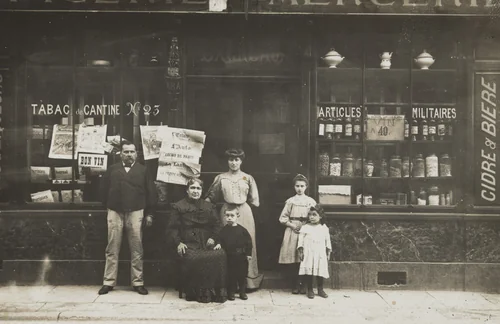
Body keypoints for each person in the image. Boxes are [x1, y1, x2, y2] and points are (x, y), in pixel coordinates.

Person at [98, 141, 157, 295]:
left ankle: (138, 282)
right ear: (120, 154)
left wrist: (150, 213)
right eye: (126, 152)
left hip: (136, 212)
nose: (129, 154)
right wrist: (109, 207)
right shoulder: (112, 170)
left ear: (136, 154)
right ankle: (108, 282)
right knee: (112, 248)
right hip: (115, 211)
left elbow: (151, 193)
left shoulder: (143, 171)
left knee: (137, 248)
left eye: (132, 152)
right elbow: (103, 191)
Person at [205, 148, 263, 290]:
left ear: (241, 161)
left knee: (247, 243)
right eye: (231, 159)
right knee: (226, 242)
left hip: (244, 211)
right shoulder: (221, 178)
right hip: (227, 211)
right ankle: (227, 281)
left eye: (236, 160)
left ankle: (248, 281)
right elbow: (211, 197)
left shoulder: (248, 178)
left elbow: (255, 200)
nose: (233, 163)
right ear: (227, 161)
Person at [168, 178, 228, 303]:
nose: (195, 191)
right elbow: (172, 228)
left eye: (198, 188)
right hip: (188, 241)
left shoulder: (209, 206)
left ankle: (214, 293)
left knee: (220, 254)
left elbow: (217, 225)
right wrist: (178, 243)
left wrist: (214, 238)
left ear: (202, 191)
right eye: (193, 188)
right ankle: (195, 293)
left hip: (207, 241)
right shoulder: (179, 206)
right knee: (193, 257)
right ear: (187, 190)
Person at [278, 174, 316, 294]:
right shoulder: (291, 201)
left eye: (302, 186)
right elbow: (282, 218)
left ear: (306, 187)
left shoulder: (310, 202)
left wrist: (305, 226)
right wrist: (292, 225)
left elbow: (315, 216)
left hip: (306, 230)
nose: (300, 188)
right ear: (294, 187)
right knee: (294, 259)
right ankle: (295, 284)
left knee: (304, 257)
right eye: (297, 186)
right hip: (293, 231)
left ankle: (304, 284)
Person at [218, 205, 252, 301]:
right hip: (229, 257)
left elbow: (249, 243)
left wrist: (248, 254)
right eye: (227, 215)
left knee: (242, 275)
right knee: (231, 275)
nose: (229, 218)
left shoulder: (242, 230)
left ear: (237, 216)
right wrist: (219, 244)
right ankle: (231, 292)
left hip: (241, 257)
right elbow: (220, 239)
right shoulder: (224, 230)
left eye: (232, 216)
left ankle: (242, 292)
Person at [297, 204, 332, 299]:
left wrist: (328, 251)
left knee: (320, 270)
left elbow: (327, 240)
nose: (311, 217)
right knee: (309, 271)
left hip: (320, 253)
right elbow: (300, 240)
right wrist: (301, 250)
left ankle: (320, 289)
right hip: (309, 253)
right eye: (310, 215)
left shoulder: (323, 228)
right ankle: (310, 289)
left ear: (320, 216)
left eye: (314, 214)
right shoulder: (305, 227)